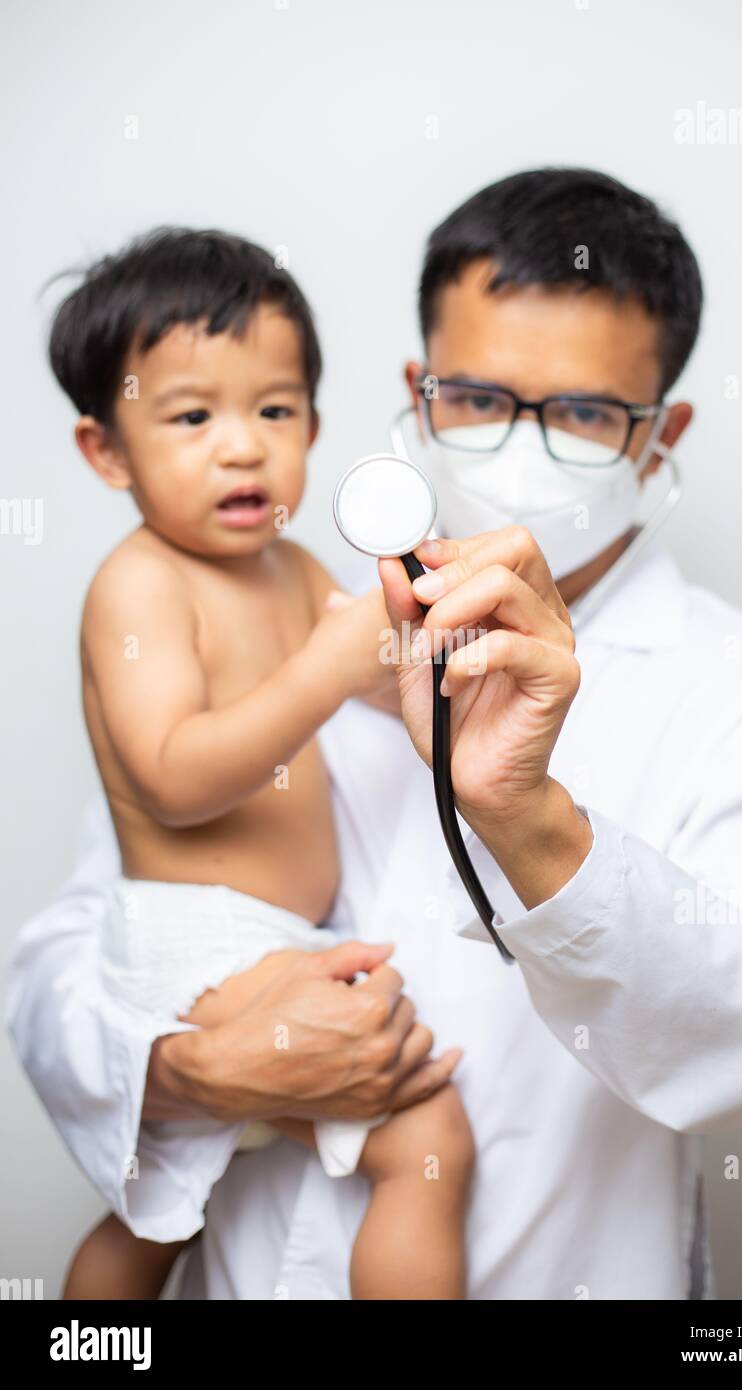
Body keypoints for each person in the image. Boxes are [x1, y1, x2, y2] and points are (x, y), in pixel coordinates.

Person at [8, 170, 742, 1300]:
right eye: (477, 395)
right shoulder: (289, 618)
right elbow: (76, 957)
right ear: (419, 392)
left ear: (658, 438)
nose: (521, 444)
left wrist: (527, 820)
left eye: (581, 413)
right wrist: (197, 1071)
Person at [42, 227, 473, 1300]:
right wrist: (327, 671)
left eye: (273, 411)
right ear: (106, 452)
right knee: (428, 1139)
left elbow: (366, 677)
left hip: (273, 935)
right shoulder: (138, 586)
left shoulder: (291, 567)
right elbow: (173, 778)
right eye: (191, 417)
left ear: (316, 428)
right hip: (197, 936)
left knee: (158, 1216)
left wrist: (422, 653)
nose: (241, 447)